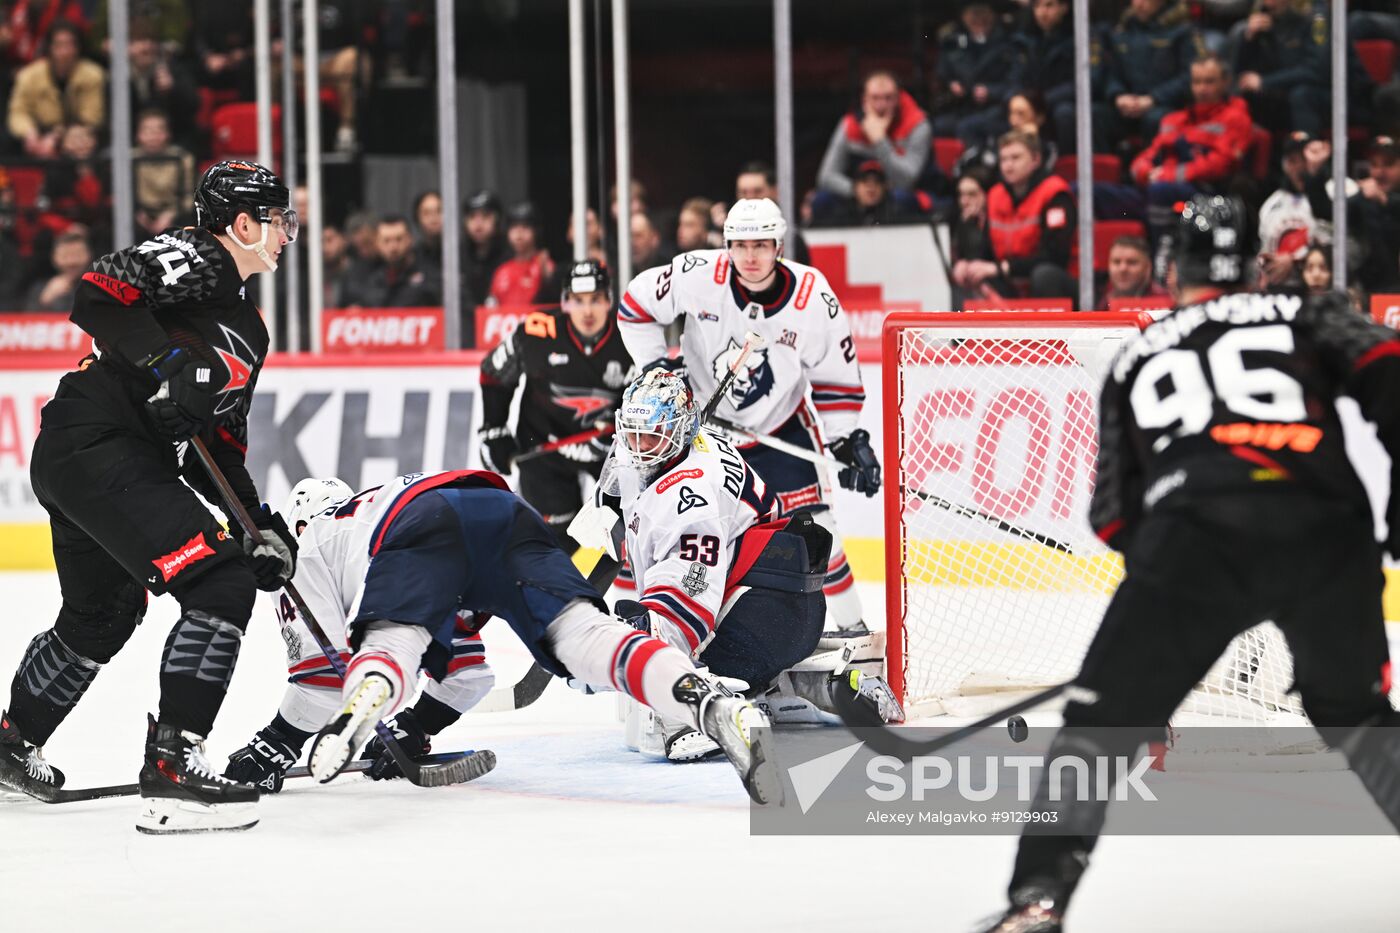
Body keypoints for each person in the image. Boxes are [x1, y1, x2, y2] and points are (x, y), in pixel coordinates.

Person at [979, 194, 1400, 932]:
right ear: (1259, 265)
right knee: (1357, 714)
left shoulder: (1138, 351)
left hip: (1193, 533)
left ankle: (1037, 901)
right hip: (1324, 526)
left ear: (1176, 270)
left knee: (1100, 724)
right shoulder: (1304, 311)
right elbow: (1389, 367)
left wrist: (1165, 603)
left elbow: (1112, 514)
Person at [0, 161, 298, 834]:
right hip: (98, 439)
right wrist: (167, 365)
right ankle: (174, 767)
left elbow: (216, 445)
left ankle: (11, 742)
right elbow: (97, 292)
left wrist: (257, 526)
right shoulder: (200, 256)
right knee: (217, 582)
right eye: (279, 220)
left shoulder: (250, 332)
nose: (287, 234)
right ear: (244, 224)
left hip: (94, 455)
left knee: (103, 612)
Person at [223, 470, 780, 804]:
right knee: (584, 635)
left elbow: (319, 681)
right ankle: (700, 699)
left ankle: (368, 699)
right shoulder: (377, 499)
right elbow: (466, 677)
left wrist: (273, 745)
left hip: (420, 528)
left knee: (393, 642)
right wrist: (418, 729)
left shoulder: (307, 542)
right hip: (499, 507)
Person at [569, 369, 899, 761]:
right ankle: (818, 683)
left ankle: (699, 715)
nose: (640, 447)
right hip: (786, 608)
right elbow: (627, 460)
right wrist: (612, 500)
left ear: (678, 432)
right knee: (717, 655)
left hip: (761, 617)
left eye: (652, 435)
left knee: (641, 655)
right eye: (634, 432)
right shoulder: (692, 443)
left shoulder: (690, 497)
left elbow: (686, 608)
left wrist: (612, 653)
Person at [617, 197, 880, 633]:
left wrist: (845, 439)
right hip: (698, 432)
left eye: (761, 244)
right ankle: (641, 627)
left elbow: (837, 378)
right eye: (740, 245)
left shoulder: (813, 297)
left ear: (779, 245)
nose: (751, 256)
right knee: (672, 527)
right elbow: (636, 306)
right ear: (727, 245)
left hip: (781, 427)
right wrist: (655, 366)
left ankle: (855, 631)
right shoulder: (697, 274)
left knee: (819, 531)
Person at [478, 260, 634, 553]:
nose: (587, 311)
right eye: (578, 301)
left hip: (611, 450)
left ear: (609, 300)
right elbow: (493, 372)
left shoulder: (631, 336)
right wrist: (493, 429)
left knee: (628, 529)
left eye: (595, 300)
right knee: (553, 542)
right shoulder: (537, 332)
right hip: (544, 447)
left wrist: (623, 437)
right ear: (565, 302)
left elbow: (649, 393)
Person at [1130, 54, 1252, 249]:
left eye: (1209, 82)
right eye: (1197, 82)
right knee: (1093, 194)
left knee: (1159, 192)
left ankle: (1158, 260)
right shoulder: (1173, 119)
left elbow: (1220, 164)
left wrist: (1167, 176)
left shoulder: (1235, 118)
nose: (1202, 89)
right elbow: (1146, 157)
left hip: (1207, 192)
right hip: (1160, 185)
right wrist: (1145, 172)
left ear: (1226, 82)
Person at [954, 129, 1077, 304]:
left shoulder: (1055, 195)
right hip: (1012, 281)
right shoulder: (995, 195)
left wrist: (1003, 268)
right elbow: (986, 251)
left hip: (1058, 282)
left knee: (1044, 275)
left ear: (1035, 159)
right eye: (1004, 159)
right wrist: (968, 263)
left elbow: (1055, 256)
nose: (1008, 165)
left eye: (1016, 158)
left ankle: (1050, 331)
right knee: (969, 274)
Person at [816, 69, 934, 220]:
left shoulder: (917, 125)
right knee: (821, 201)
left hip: (900, 194)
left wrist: (880, 140)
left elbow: (906, 181)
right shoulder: (849, 125)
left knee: (901, 199)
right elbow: (825, 177)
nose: (881, 105)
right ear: (864, 100)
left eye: (888, 98)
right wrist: (856, 190)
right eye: (875, 98)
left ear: (898, 99)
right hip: (859, 194)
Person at [1094, 0, 1203, 153]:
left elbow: (1191, 76)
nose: (1139, 4)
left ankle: (1151, 170)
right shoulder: (1122, 30)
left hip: (1166, 104)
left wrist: (1154, 98)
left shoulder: (1182, 30)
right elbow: (1110, 71)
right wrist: (1118, 95)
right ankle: (1103, 172)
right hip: (1128, 104)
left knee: (1155, 119)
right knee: (1094, 115)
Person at [7, 20, 104, 159]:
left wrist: (60, 138)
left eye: (69, 45)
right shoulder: (29, 76)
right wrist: (29, 133)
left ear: (78, 48)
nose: (64, 52)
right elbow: (18, 112)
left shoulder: (93, 75)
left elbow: (93, 117)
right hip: (41, 132)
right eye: (58, 45)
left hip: (81, 137)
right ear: (49, 48)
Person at [133, 109, 195, 238]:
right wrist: (138, 214)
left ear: (168, 134)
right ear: (138, 134)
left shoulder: (182, 158)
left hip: (175, 215)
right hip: (138, 215)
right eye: (147, 131)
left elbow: (190, 195)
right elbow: (120, 196)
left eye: (159, 130)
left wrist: (170, 214)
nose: (153, 136)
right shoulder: (129, 159)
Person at [733, 161, 811, 264]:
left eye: (757, 191)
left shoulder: (789, 237)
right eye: (743, 193)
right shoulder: (725, 233)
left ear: (775, 191)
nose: (750, 199)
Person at [358, 215, 440, 308]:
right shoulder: (371, 281)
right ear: (377, 243)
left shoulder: (430, 277)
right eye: (386, 241)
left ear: (410, 240)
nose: (393, 247)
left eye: (399, 239)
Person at [812, 159, 923, 227]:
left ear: (885, 187)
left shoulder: (897, 213)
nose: (871, 187)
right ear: (855, 187)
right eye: (865, 181)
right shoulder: (841, 216)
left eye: (877, 181)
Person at [488, 202, 556, 307]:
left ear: (536, 231)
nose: (519, 234)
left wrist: (547, 279)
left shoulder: (544, 265)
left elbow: (554, 299)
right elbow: (491, 307)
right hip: (508, 322)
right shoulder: (502, 270)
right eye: (514, 227)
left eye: (525, 227)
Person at [462, 189, 509, 308]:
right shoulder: (458, 255)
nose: (478, 224)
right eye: (472, 217)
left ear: (497, 219)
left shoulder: (510, 253)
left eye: (485, 216)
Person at [23, 227, 88, 310]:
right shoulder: (39, 288)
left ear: (89, 255)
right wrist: (45, 299)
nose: (72, 262)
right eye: (65, 256)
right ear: (54, 258)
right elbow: (24, 320)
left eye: (78, 255)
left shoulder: (100, 287)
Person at [1098, 234, 1168, 306]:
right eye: (1116, 262)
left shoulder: (1165, 302)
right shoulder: (1098, 300)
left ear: (1148, 267)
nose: (1123, 269)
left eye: (1131, 262)